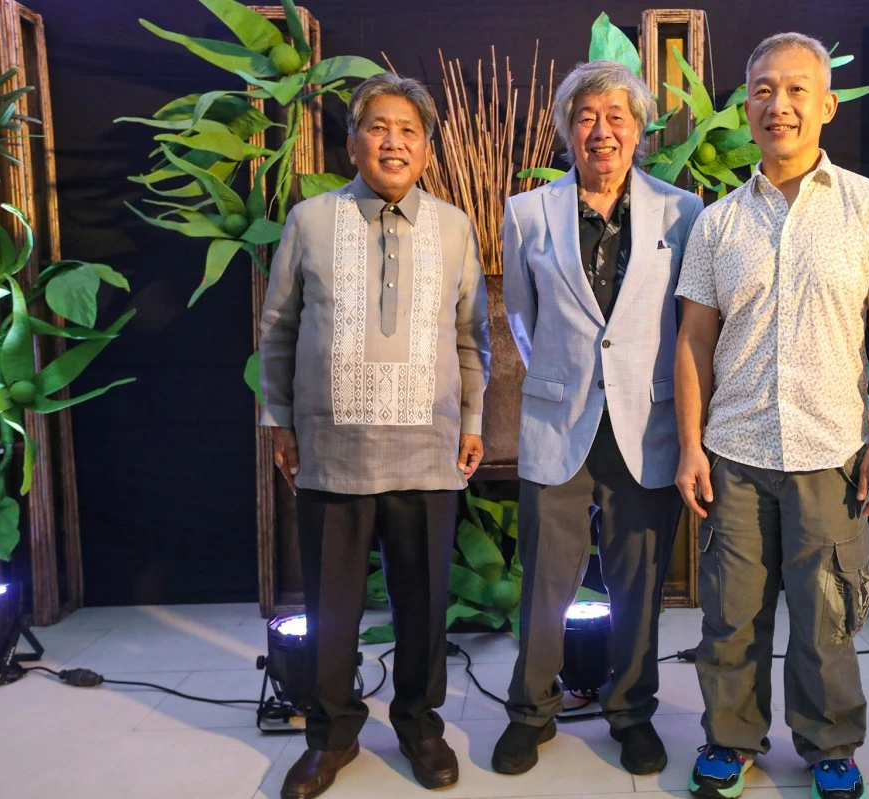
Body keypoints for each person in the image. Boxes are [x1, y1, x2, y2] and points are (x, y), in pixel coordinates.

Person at [674, 33, 869, 799]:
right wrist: (690, 446)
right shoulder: (717, 223)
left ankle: (830, 744)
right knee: (731, 615)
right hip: (736, 452)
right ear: (746, 106)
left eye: (794, 90)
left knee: (827, 617)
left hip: (831, 452)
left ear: (826, 105)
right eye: (762, 90)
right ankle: (731, 739)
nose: (777, 105)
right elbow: (694, 339)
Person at [259, 72, 491, 797]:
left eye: (408, 131)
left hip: (428, 448)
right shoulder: (310, 220)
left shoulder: (453, 226)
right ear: (354, 142)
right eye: (378, 127)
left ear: (426, 149)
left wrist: (473, 421)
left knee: (423, 603)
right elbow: (278, 328)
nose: (394, 142)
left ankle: (419, 725)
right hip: (333, 449)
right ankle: (332, 733)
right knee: (333, 606)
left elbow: (471, 337)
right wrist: (279, 420)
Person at [493, 59, 704, 777]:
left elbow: (689, 324)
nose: (602, 131)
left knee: (639, 582)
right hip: (560, 422)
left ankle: (631, 712)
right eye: (586, 117)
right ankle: (530, 711)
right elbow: (522, 318)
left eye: (617, 117)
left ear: (639, 130)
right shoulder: (527, 213)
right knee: (544, 583)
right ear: (566, 130)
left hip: (648, 423)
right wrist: (565, 378)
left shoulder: (683, 212)